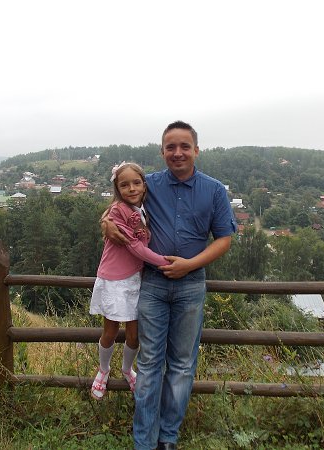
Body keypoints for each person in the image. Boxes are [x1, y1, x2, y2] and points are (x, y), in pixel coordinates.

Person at [103, 121, 237, 450]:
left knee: (181, 364)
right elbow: (119, 204)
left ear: (196, 150)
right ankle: (144, 441)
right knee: (149, 363)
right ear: (162, 151)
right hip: (152, 284)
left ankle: (168, 437)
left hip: (191, 285)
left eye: (184, 146)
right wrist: (105, 222)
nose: (178, 153)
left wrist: (189, 264)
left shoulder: (214, 190)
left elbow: (224, 239)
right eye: (170, 147)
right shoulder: (147, 184)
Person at [90, 162, 170, 400]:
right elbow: (135, 247)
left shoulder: (144, 208)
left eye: (136, 183)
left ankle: (127, 369)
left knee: (134, 335)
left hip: (136, 279)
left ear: (144, 185)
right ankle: (103, 370)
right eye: (124, 185)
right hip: (114, 280)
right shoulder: (117, 211)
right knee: (111, 331)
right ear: (117, 189)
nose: (132, 188)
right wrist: (166, 262)